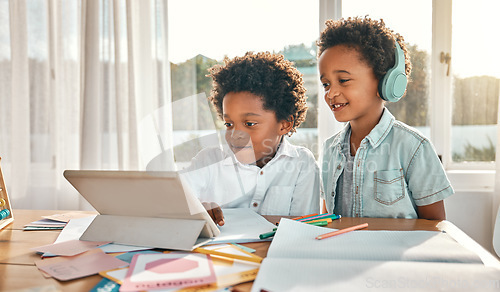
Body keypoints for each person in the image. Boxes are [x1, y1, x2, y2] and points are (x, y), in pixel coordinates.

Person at [317, 16, 453, 219]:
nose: (331, 93)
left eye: (343, 80)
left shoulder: (414, 147)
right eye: (326, 84)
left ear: (386, 82)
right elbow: (326, 219)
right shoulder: (330, 149)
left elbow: (435, 227)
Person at [180, 52, 321, 225]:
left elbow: (304, 228)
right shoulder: (209, 161)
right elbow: (170, 198)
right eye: (229, 124)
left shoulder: (302, 165)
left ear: (284, 124)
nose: (235, 135)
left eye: (250, 123)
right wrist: (195, 210)